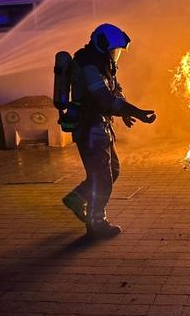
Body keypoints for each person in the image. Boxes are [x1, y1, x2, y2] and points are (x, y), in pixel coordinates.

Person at [62, 24, 156, 239]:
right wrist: (135, 111)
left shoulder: (101, 63)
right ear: (101, 45)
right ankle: (96, 224)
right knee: (102, 177)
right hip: (90, 127)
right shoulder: (87, 66)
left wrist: (124, 110)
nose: (115, 55)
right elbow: (103, 97)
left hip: (100, 126)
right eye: (113, 50)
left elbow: (115, 91)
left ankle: (77, 198)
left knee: (112, 171)